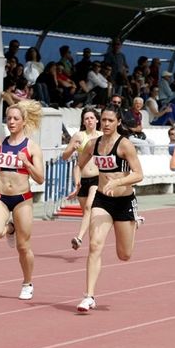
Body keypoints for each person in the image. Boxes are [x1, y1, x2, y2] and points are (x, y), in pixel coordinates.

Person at [73, 104, 144, 312]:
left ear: (118, 122)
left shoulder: (125, 145)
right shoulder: (93, 145)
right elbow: (79, 164)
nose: (105, 124)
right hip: (102, 200)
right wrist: (77, 181)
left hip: (123, 201)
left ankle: (134, 223)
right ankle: (89, 296)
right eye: (103, 120)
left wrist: (118, 182)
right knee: (94, 245)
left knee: (125, 255)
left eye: (110, 121)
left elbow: (139, 174)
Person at [0, 101, 45, 300]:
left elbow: (40, 178)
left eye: (16, 118)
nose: (11, 122)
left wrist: (26, 163)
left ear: (24, 121)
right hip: (0, 196)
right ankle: (10, 228)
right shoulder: (0, 143)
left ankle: (27, 282)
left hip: (22, 199)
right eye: (8, 118)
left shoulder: (32, 147)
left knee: (23, 246)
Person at [62, 107, 102, 250]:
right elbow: (64, 156)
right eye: (86, 118)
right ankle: (95, 242)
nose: (89, 120)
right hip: (81, 178)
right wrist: (73, 148)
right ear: (83, 122)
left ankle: (79, 238)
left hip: (97, 178)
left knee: (89, 206)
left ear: (97, 120)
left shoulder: (102, 136)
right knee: (87, 214)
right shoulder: (79, 135)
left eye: (92, 118)